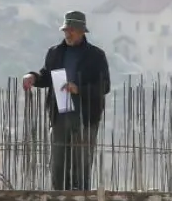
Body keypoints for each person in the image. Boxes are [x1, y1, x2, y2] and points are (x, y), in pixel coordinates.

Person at [22, 11, 111, 191]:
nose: (68, 34)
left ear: (81, 31)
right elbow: (46, 76)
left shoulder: (96, 56)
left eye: (72, 30)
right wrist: (33, 77)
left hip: (85, 118)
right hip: (60, 116)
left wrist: (79, 89)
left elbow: (104, 86)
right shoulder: (55, 53)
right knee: (58, 165)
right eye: (66, 30)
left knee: (81, 165)